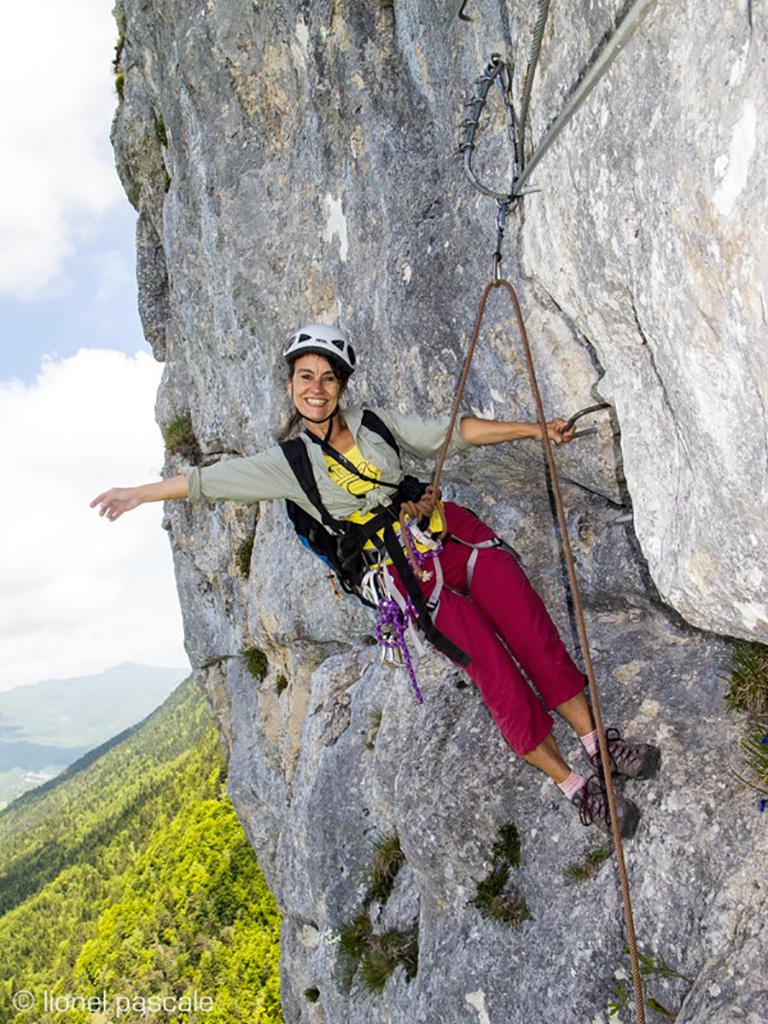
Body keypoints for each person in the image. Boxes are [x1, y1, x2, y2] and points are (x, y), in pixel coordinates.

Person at [91, 323, 659, 837]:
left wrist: (534, 429)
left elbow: (451, 433)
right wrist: (137, 494)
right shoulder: (287, 464)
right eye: (306, 376)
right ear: (290, 385)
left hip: (450, 535)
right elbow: (207, 481)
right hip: (408, 579)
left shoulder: (375, 425)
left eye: (328, 377)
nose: (317, 387)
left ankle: (598, 747)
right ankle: (575, 787)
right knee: (496, 675)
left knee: (531, 631)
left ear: (342, 385)